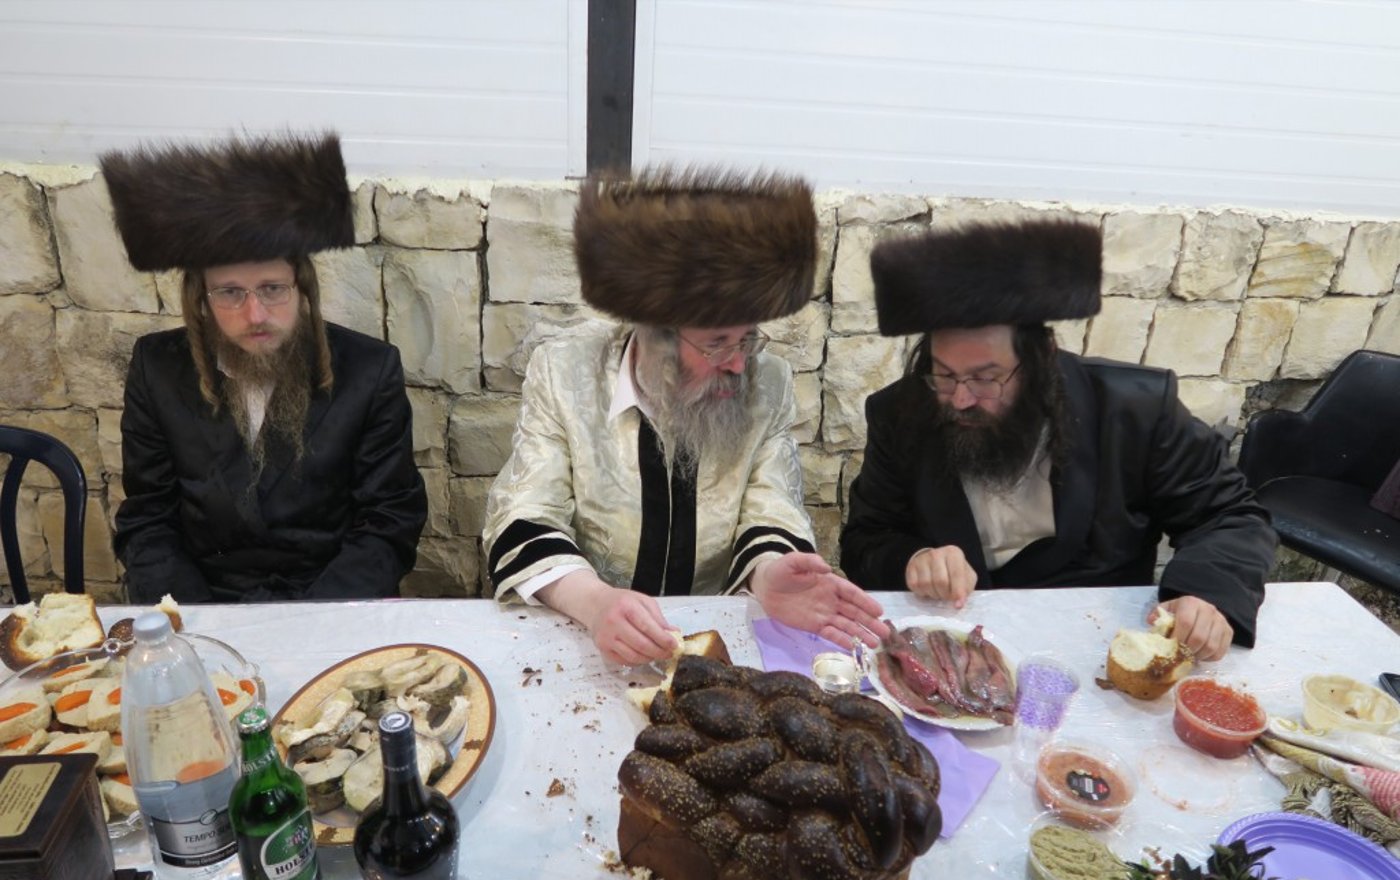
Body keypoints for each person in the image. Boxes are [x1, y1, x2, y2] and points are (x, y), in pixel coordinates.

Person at [483, 167, 886, 664]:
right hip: (587, 632)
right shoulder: (565, 374)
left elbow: (771, 511)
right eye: (718, 343)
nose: (738, 364)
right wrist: (596, 602)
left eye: (748, 338)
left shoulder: (767, 383)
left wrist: (768, 574)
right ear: (654, 335)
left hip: (714, 636)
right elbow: (524, 515)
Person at [840, 219, 1276, 660]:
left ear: (1042, 356)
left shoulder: (1134, 410)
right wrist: (912, 558)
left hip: (1094, 645)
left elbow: (1227, 515)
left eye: (986, 378)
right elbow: (866, 539)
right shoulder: (901, 413)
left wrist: (1206, 595)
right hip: (953, 646)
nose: (962, 399)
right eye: (945, 375)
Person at [102, 133, 427, 603]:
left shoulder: (370, 370)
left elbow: (389, 521)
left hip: (330, 601)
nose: (255, 314)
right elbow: (148, 518)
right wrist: (199, 625)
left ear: (302, 288)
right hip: (206, 602)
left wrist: (309, 624)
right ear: (201, 299)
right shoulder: (157, 368)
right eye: (230, 292)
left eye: (272, 288)